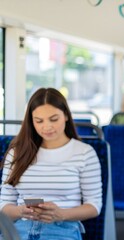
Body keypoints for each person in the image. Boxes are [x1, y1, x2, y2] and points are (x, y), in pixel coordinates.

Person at [0, 88, 102, 239]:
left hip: (63, 229)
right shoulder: (17, 153)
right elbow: (4, 206)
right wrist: (21, 211)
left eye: (53, 119)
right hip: (21, 228)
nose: (46, 127)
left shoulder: (84, 153)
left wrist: (60, 214)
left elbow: (94, 206)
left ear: (66, 115)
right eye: (39, 121)